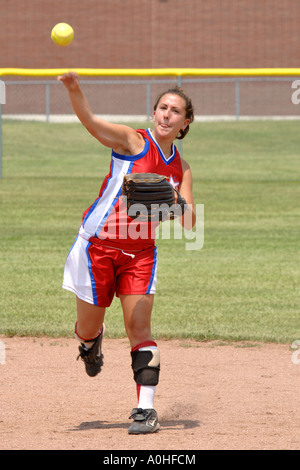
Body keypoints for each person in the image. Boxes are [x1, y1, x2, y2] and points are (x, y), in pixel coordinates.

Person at [58, 71, 196, 434]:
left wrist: (175, 201)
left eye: (175, 111)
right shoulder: (134, 142)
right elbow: (91, 122)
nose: (167, 115)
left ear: (184, 123)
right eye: (162, 108)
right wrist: (74, 88)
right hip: (97, 247)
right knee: (87, 327)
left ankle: (145, 409)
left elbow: (190, 223)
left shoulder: (180, 168)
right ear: (154, 114)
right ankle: (91, 342)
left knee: (139, 327)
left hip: (140, 254)